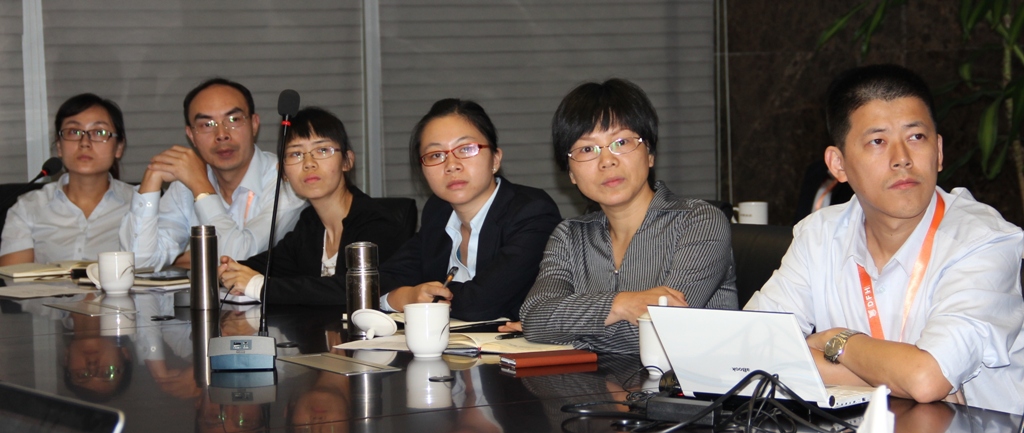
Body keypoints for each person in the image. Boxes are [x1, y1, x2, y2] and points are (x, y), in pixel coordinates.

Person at [744, 64, 1024, 414]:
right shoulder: (819, 235)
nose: (902, 159)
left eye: (916, 137)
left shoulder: (983, 241)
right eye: (878, 141)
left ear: (938, 151)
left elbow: (926, 378)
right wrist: (897, 381)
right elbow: (750, 347)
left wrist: (836, 341)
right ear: (838, 164)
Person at [519, 78, 737, 354]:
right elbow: (535, 316)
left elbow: (663, 330)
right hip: (596, 380)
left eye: (621, 142)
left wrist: (567, 332)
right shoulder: (569, 235)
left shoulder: (699, 221)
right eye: (587, 149)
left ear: (650, 154)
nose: (606, 161)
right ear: (571, 173)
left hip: (691, 381)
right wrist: (619, 304)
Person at [379, 99, 562, 322]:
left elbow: (480, 303)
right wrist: (403, 296)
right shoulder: (438, 212)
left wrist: (420, 296)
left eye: (466, 149)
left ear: (495, 159)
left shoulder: (532, 212)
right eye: (436, 155)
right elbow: (379, 281)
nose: (451, 165)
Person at [217, 107, 407, 304]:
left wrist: (260, 286)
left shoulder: (376, 224)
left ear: (347, 161)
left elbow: (355, 290)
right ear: (283, 173)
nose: (309, 163)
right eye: (296, 154)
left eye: (322, 150)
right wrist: (227, 270)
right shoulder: (310, 224)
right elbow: (268, 265)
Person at [119, 78, 306, 271]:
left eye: (233, 120)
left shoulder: (286, 180)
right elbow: (138, 263)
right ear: (191, 135)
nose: (222, 134)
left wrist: (201, 188)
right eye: (207, 124)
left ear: (254, 124)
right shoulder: (185, 186)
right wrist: (151, 181)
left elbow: (240, 260)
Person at [0, 93, 134, 265]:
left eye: (99, 132)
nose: (84, 142)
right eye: (73, 132)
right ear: (59, 146)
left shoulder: (141, 205)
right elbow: (16, 276)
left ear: (119, 148)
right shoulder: (28, 207)